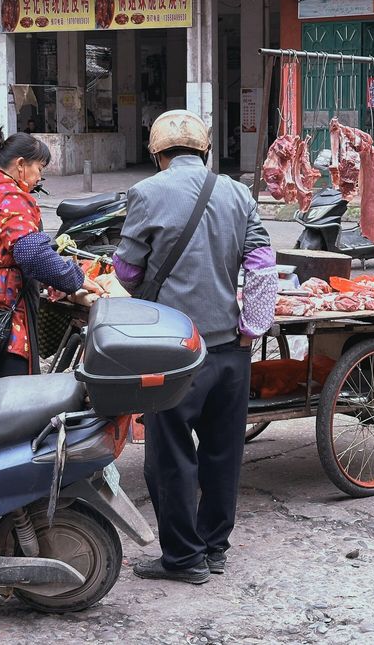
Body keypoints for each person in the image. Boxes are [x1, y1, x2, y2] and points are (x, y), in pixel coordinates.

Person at [113, 110, 277, 585]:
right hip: (230, 349)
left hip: (174, 352)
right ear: (205, 151)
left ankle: (184, 559)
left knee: (170, 457)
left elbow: (126, 273)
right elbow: (263, 267)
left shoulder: (147, 193)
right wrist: (251, 328)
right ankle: (214, 548)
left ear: (158, 156)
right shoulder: (237, 192)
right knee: (224, 454)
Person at [0, 129, 103, 382]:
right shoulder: (11, 197)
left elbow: (6, 252)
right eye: (40, 168)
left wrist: (52, 280)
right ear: (21, 165)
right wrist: (75, 278)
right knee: (16, 400)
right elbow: (31, 253)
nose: (39, 177)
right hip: (6, 317)